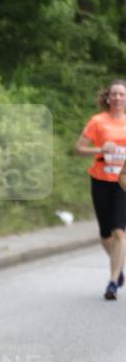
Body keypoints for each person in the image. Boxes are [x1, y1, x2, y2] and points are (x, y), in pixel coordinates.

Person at [75, 78, 126, 300]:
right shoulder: (98, 121)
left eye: (122, 94)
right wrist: (100, 149)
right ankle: (118, 266)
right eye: (114, 94)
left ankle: (113, 282)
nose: (117, 98)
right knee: (106, 234)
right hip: (100, 179)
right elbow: (78, 149)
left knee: (119, 231)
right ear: (108, 98)